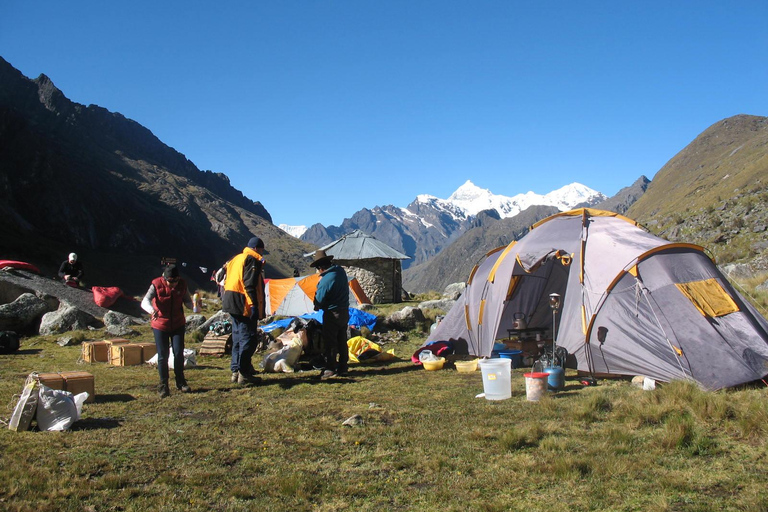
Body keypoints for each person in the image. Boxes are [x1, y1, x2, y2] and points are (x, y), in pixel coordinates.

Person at [141, 264, 193, 398]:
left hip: (177, 323)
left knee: (178, 353)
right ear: (165, 278)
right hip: (160, 325)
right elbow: (145, 301)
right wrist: (152, 310)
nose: (173, 284)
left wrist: (194, 305)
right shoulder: (156, 284)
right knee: (163, 355)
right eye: (171, 281)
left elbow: (187, 301)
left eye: (176, 281)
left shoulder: (182, 284)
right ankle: (163, 385)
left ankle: (181, 382)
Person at [222, 236, 267, 385]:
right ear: (256, 249)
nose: (262, 253)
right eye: (261, 250)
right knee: (248, 338)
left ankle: (235, 370)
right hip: (242, 302)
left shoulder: (236, 259)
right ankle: (244, 372)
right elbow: (249, 285)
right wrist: (253, 305)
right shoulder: (251, 260)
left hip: (230, 300)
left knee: (237, 336)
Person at [310, 249, 350, 380]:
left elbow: (319, 300)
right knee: (342, 339)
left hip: (332, 313)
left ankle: (330, 368)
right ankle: (343, 367)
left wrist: (317, 305)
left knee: (331, 341)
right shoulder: (341, 272)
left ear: (320, 267)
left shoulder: (326, 279)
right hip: (344, 311)